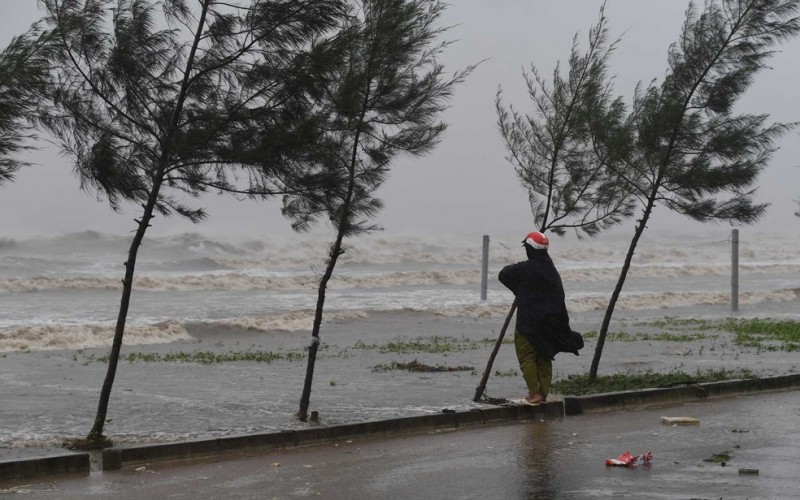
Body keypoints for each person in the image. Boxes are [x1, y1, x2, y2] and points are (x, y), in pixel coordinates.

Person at [498, 231, 583, 404]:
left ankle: (534, 393)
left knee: (526, 356)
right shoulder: (551, 270)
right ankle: (543, 393)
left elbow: (503, 274)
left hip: (529, 322)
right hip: (551, 322)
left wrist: (518, 287)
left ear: (530, 248)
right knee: (544, 354)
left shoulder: (525, 269)